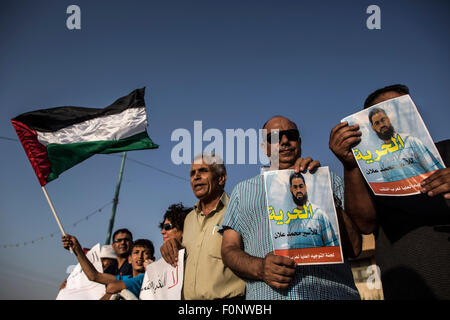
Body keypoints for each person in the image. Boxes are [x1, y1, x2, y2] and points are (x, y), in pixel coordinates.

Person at [329, 83, 450, 299]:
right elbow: (364, 224)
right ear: (371, 127)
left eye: (399, 108)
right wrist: (350, 165)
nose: (386, 121)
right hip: (406, 289)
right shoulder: (368, 171)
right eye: (379, 119)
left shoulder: (445, 150)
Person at [220, 115, 361, 300]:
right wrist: (260, 268)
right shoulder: (242, 191)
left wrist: (323, 193)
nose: (285, 141)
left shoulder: (328, 181)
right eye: (276, 137)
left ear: (299, 142)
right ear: (264, 147)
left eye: (291, 135)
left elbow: (355, 248)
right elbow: (229, 249)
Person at [160, 153, 246, 300]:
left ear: (221, 178)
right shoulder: (189, 219)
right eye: (192, 173)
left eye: (203, 171)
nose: (196, 176)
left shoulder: (238, 210)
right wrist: (172, 247)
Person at [62, 235, 155, 299]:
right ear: (129, 259)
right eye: (136, 252)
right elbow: (94, 276)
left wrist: (113, 287)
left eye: (146, 253)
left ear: (152, 259)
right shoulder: (128, 278)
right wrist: (77, 249)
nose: (140, 256)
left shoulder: (146, 278)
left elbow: (112, 287)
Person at [367, 107, 443, 182]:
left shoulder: (411, 142)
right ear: (373, 128)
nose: (382, 125)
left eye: (383, 120)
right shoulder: (381, 156)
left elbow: (434, 170)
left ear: (389, 120)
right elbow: (388, 182)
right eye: (377, 123)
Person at [288, 172, 339, 249]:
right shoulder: (291, 219)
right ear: (291, 189)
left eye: (301, 186)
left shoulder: (319, 214)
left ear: (305, 187)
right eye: (295, 187)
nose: (298, 190)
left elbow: (332, 246)